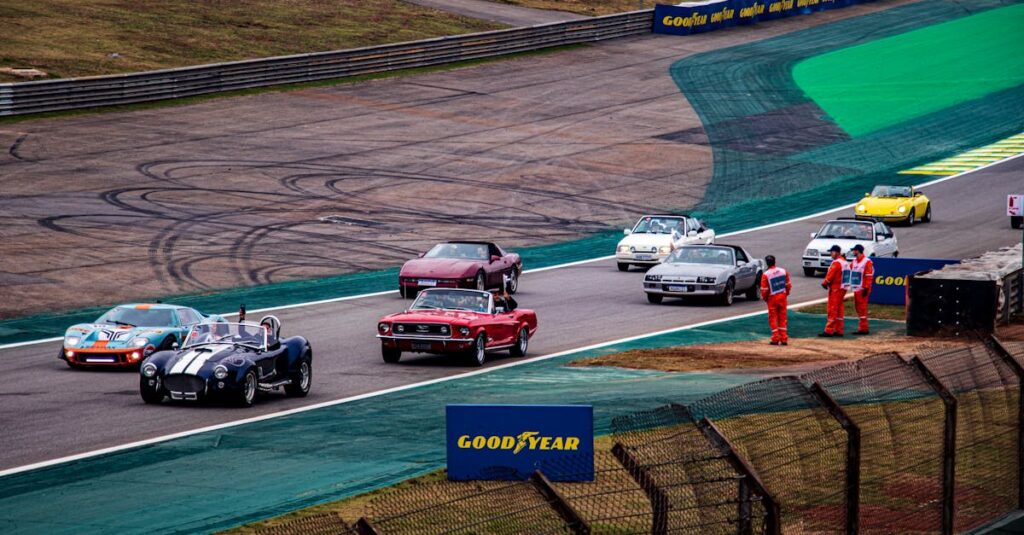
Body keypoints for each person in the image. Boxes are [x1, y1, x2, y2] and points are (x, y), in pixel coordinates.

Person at [760, 255, 791, 345]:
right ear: (775, 261)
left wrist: (765, 298)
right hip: (782, 297)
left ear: (767, 263)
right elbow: (788, 285)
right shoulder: (783, 271)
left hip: (772, 299)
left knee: (773, 318)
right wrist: (786, 294)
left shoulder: (766, 274)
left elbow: (764, 290)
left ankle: (775, 338)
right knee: (783, 318)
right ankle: (784, 338)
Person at [819, 244, 847, 337]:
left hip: (836, 288)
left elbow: (831, 274)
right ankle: (839, 330)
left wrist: (825, 282)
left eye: (832, 252)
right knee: (839, 309)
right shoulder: (844, 262)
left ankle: (829, 330)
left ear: (837, 252)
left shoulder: (837, 262)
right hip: (843, 288)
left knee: (832, 308)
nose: (830, 253)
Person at [847, 244, 874, 335]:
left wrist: (866, 287)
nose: (853, 252)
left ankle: (863, 329)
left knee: (862, 308)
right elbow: (848, 269)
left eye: (854, 250)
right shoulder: (854, 261)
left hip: (863, 289)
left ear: (858, 251)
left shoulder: (867, 262)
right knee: (858, 308)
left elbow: (869, 276)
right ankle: (862, 328)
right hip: (856, 289)